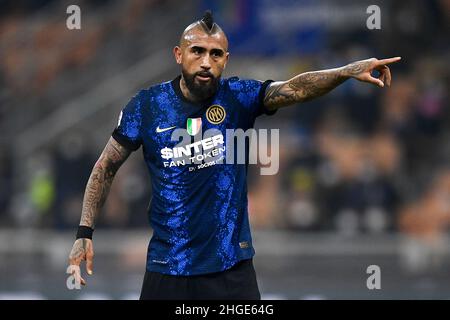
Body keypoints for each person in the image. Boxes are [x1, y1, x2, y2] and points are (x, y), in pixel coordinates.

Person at [68, 11, 401, 299]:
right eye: (197, 51)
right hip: (168, 269)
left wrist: (344, 72)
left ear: (226, 60)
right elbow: (105, 167)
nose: (206, 62)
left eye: (215, 55)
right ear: (178, 54)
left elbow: (296, 88)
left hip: (230, 270)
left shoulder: (239, 97)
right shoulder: (147, 106)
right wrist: (85, 232)